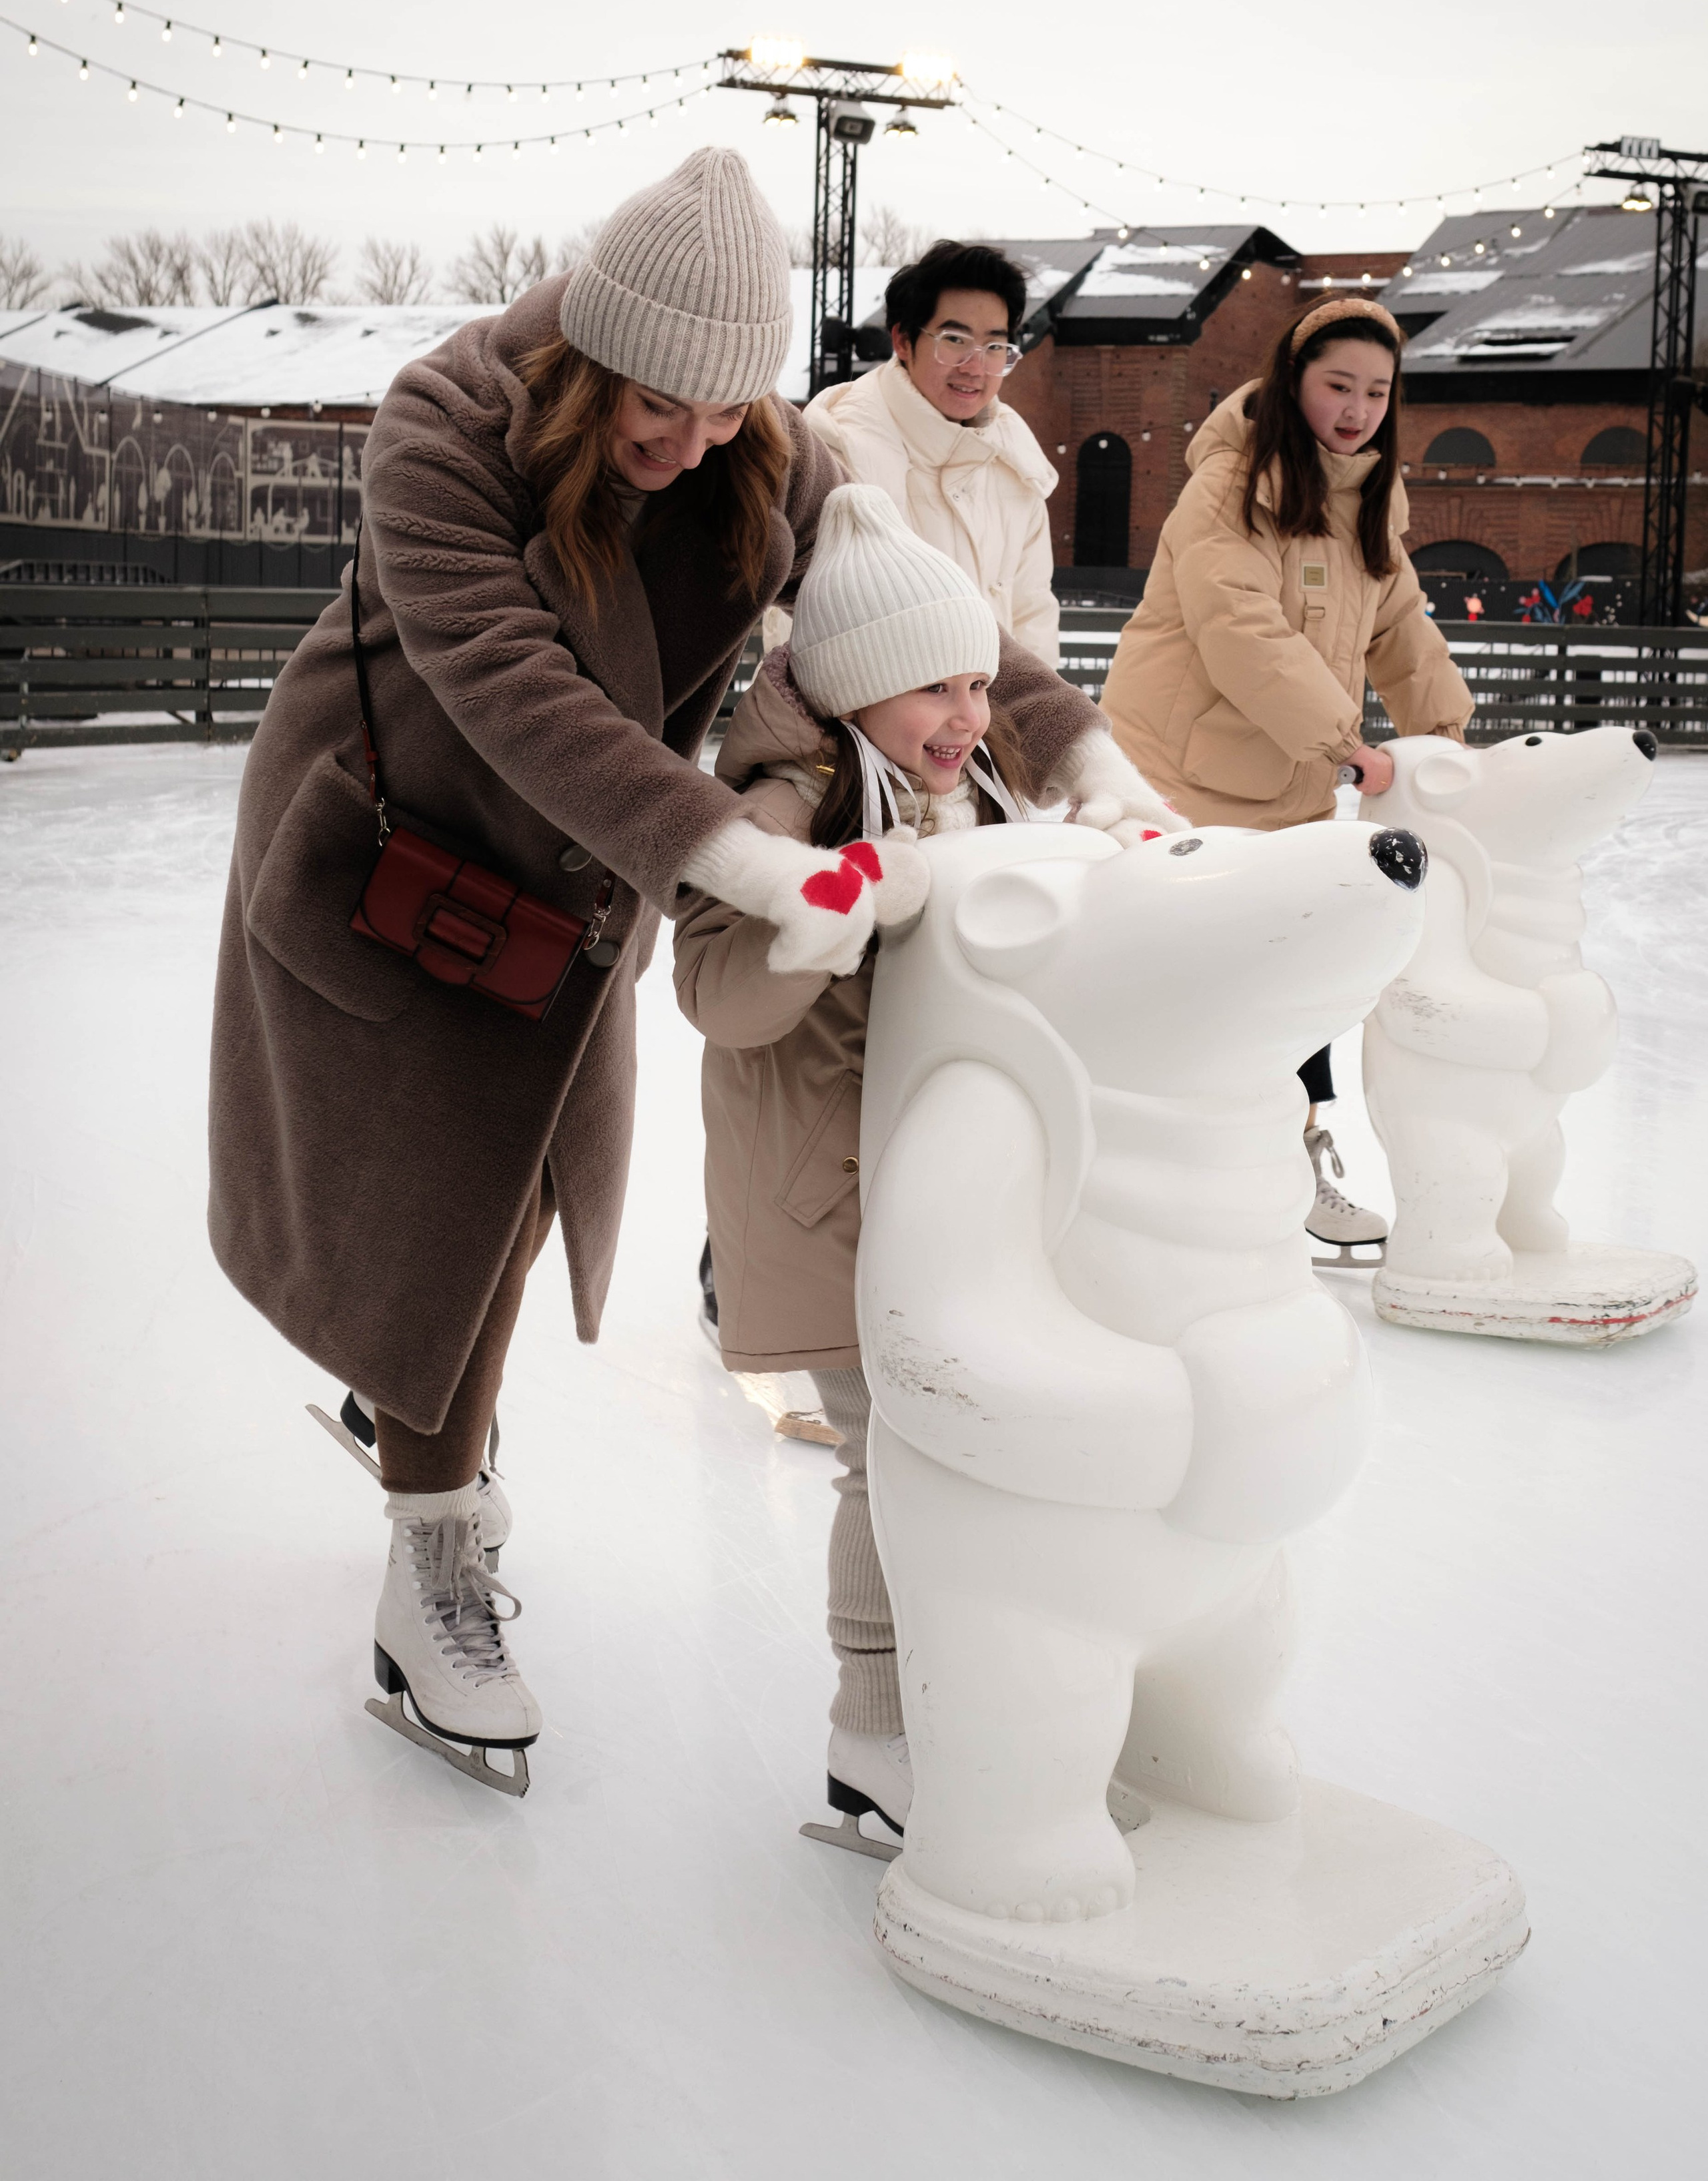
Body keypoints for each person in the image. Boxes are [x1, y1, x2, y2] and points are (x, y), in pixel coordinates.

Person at [207, 148, 1164, 1793]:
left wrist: (1080, 756)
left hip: (586, 877)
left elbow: (917, 618)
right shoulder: (441, 427)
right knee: (440, 1211)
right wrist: (745, 858)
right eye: (660, 405)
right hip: (393, 850)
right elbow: (516, 689)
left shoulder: (761, 464)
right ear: (586, 353)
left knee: (505, 1205)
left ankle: (425, 1404)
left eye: (728, 410)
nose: (694, 441)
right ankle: (430, 1547)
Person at [674, 484, 1178, 1843]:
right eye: (927, 692)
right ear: (849, 692)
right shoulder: (788, 802)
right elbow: (716, 998)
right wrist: (827, 916)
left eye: (973, 679)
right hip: (835, 1192)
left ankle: (974, 1702)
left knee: (967, 1450)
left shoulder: (984, 784)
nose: (965, 713)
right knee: (889, 1458)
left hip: (968, 1191)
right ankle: (872, 1734)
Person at [1098, 295, 1474, 1253]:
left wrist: (1450, 735)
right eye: (1336, 385)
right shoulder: (1230, 487)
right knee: (1188, 979)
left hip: (1291, 783)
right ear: (1292, 383)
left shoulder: (1372, 500)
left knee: (1299, 976)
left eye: (1376, 393)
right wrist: (1343, 742)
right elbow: (1241, 632)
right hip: (1178, 775)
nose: (1355, 411)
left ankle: (1296, 1159)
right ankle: (1134, 1170)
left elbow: (1398, 626)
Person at [799, 240, 1059, 664]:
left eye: (995, 347)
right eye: (955, 340)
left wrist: (1033, 726)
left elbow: (1033, 617)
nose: (975, 368)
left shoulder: (1015, 463)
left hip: (993, 725)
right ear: (903, 340)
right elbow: (805, 632)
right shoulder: (841, 449)